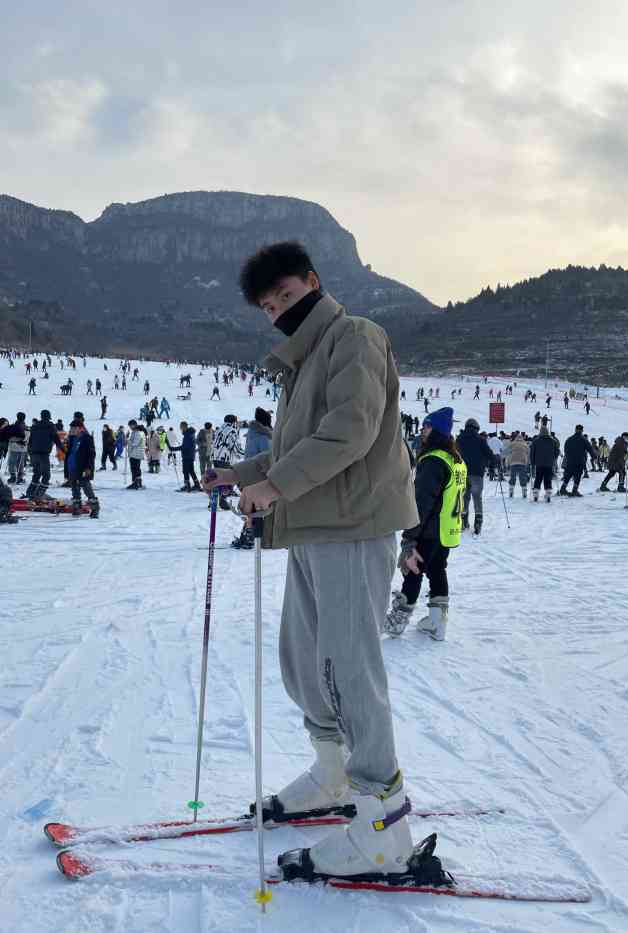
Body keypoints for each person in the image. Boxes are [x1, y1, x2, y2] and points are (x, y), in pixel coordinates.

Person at [203, 241, 418, 880]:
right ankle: (332, 776)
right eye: (269, 307)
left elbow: (350, 430)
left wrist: (273, 488)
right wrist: (240, 473)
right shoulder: (300, 364)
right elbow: (294, 448)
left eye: (287, 298)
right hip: (311, 525)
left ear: (313, 284)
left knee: (348, 669)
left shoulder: (356, 336)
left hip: (353, 526)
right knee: (303, 662)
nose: (278, 313)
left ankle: (382, 821)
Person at [384, 407, 466, 640]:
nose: (422, 430)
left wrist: (410, 537)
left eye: (427, 426)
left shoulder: (432, 460)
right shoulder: (455, 459)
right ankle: (437, 622)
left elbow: (420, 503)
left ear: (438, 431)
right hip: (446, 530)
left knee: (413, 570)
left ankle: (397, 621)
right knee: (437, 570)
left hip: (429, 529)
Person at [232, 409, 274, 548]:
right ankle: (250, 536)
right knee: (256, 509)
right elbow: (268, 458)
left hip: (248, 474)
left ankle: (248, 535)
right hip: (258, 476)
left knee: (252, 508)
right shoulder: (263, 437)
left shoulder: (252, 434)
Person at [456, 417, 494, 535]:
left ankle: (463, 520)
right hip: (477, 473)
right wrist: (494, 460)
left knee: (464, 497)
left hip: (462, 473)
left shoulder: (459, 439)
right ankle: (478, 521)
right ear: (476, 428)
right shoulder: (481, 440)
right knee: (477, 497)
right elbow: (489, 454)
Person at [66, 420, 99, 518]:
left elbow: (91, 454)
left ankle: (95, 508)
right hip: (72, 466)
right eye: (71, 428)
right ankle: (77, 507)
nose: (72, 430)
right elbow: (70, 452)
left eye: (74, 428)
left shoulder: (87, 438)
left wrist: (88, 467)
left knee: (86, 487)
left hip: (83, 467)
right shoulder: (72, 438)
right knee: (74, 487)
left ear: (81, 428)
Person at [211, 415, 243, 510]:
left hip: (215, 456)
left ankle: (213, 501)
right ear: (233, 422)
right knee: (227, 479)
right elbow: (235, 447)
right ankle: (222, 502)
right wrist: (245, 453)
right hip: (224, 457)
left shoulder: (219, 429)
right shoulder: (231, 431)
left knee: (218, 480)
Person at [559, 425, 595, 497]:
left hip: (570, 461)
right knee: (577, 475)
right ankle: (574, 490)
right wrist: (594, 456)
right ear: (582, 430)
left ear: (575, 430)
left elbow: (565, 449)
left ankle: (563, 489)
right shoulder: (583, 439)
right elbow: (589, 448)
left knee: (568, 475)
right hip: (579, 461)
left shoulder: (569, 439)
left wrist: (568, 456)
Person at [530, 424, 557, 501]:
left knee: (538, 477)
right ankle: (548, 493)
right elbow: (557, 451)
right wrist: (554, 458)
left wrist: (532, 462)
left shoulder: (536, 441)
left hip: (539, 463)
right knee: (548, 478)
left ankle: (536, 493)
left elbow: (532, 452)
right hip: (549, 463)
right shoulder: (552, 441)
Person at [7, 412, 30, 484]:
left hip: (13, 446)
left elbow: (9, 436)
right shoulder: (26, 427)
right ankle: (20, 477)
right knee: (20, 463)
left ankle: (12, 476)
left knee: (12, 462)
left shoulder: (13, 426)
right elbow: (27, 437)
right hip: (22, 448)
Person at [177, 421, 201, 492]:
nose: (180, 429)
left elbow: (185, 446)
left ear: (184, 427)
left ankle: (187, 486)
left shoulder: (188, 435)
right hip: (190, 455)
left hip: (187, 456)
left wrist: (173, 448)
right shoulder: (190, 434)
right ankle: (197, 485)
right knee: (191, 470)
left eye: (181, 427)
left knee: (185, 471)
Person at [508, 432, 530, 498]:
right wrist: (529, 461)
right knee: (522, 477)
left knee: (513, 477)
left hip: (513, 462)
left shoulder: (512, 444)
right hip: (522, 463)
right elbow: (529, 452)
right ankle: (524, 491)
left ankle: (511, 490)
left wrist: (501, 454)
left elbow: (506, 451)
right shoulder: (525, 444)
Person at [126, 420, 146, 489]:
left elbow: (135, 443)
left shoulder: (138, 432)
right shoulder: (136, 432)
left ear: (134, 425)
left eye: (130, 426)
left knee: (134, 468)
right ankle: (137, 482)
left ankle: (135, 483)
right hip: (136, 453)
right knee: (136, 468)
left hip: (136, 453)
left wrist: (128, 441)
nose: (130, 427)